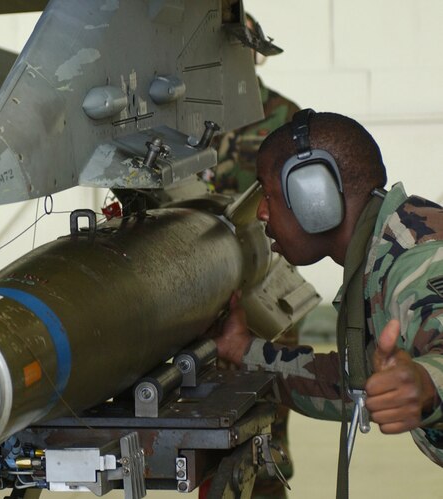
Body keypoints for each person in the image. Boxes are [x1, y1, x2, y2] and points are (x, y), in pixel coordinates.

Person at [215, 109, 443, 496]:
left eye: (267, 193)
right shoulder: (378, 250)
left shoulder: (416, 261)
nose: (261, 213)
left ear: (313, 196)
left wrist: (426, 382)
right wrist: (242, 351)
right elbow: (352, 384)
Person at [205, 13, 301, 499]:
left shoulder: (286, 119)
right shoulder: (181, 120)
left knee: (265, 416)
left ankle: (267, 484)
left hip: (264, 288)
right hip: (197, 289)